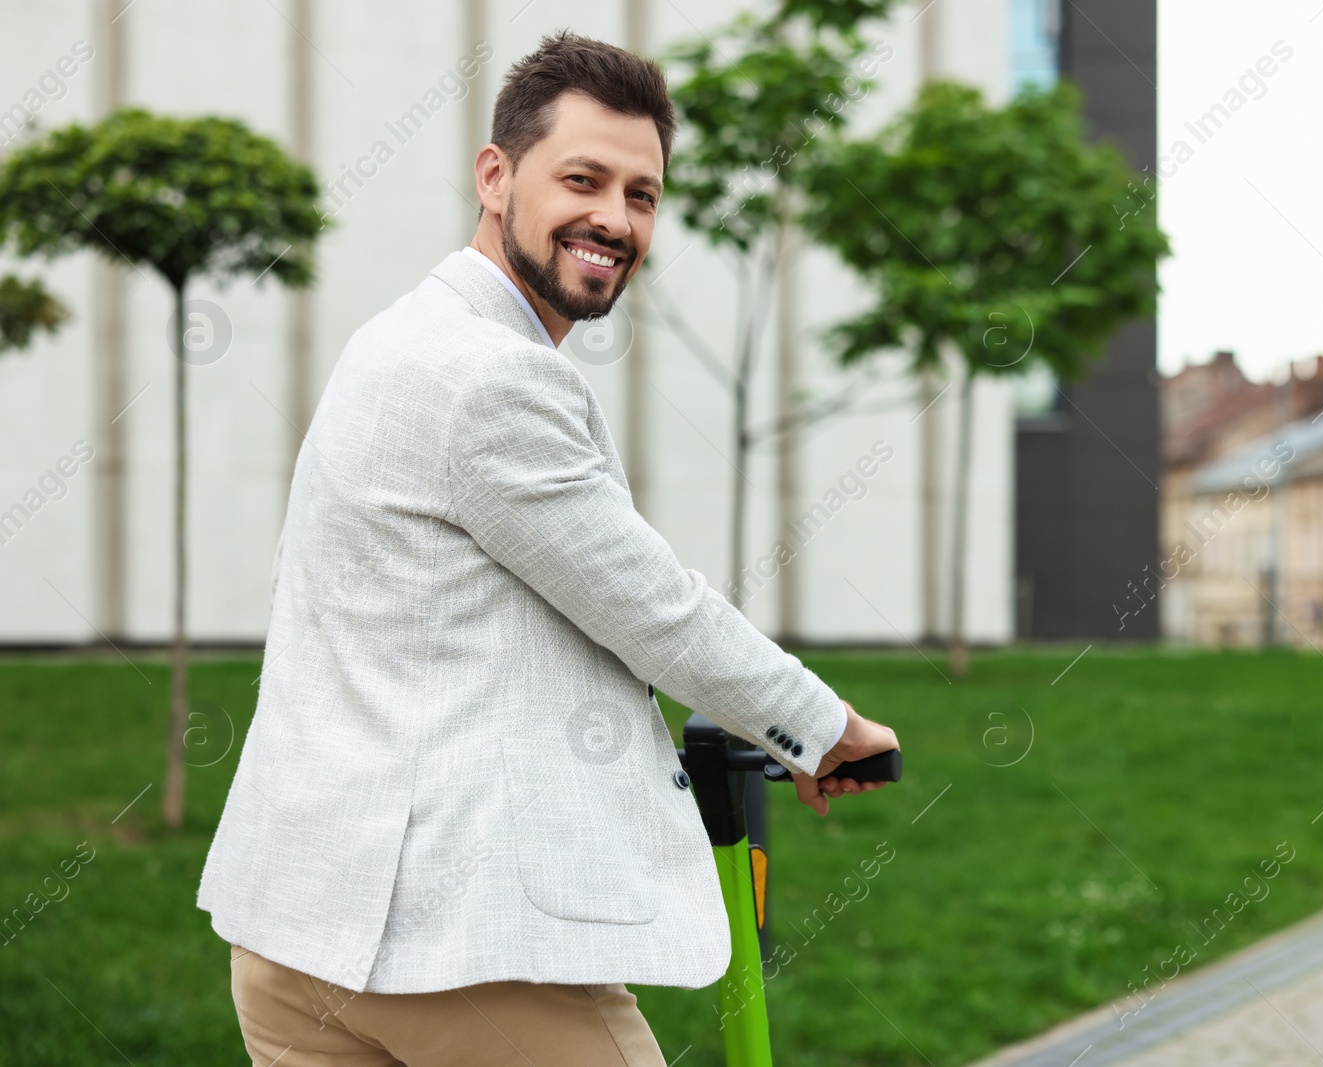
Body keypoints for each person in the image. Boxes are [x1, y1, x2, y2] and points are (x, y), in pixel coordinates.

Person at [199, 30, 900, 1067]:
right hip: (449, 952)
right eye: (583, 178)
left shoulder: (395, 338)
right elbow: (652, 605)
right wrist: (823, 726)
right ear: (495, 176)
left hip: (296, 932)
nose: (613, 219)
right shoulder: (492, 375)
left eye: (642, 195)